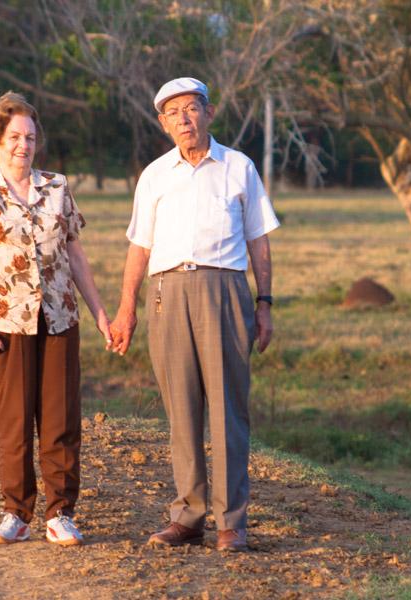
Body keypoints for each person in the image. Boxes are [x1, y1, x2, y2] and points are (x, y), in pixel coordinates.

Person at [109, 77, 279, 552]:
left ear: (209, 112)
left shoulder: (238, 167)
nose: (184, 119)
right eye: (173, 113)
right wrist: (127, 310)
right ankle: (187, 516)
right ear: (163, 124)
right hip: (166, 292)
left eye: (191, 109)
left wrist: (264, 303)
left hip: (225, 289)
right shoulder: (154, 175)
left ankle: (231, 521)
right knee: (181, 408)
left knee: (227, 406)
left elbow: (259, 241)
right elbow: (139, 247)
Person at [0, 91, 111, 546]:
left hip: (60, 319)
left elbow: (76, 256)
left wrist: (99, 312)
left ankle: (60, 514)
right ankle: (16, 513)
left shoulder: (57, 187)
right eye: (15, 136)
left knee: (60, 422)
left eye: (31, 137)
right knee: (16, 422)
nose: (25, 144)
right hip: (5, 324)